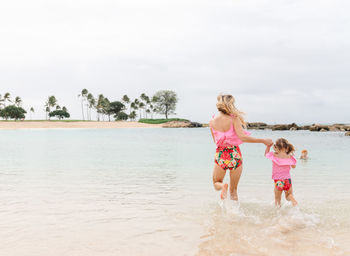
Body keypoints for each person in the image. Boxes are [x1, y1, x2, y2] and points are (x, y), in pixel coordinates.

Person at [209, 94, 273, 201]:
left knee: (216, 183)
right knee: (233, 190)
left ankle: (223, 186)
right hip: (235, 154)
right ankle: (236, 215)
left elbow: (215, 141)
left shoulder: (212, 122)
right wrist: (262, 141)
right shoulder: (234, 119)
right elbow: (243, 137)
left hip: (221, 154)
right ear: (230, 104)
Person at [265, 138, 298, 206]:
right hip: (287, 179)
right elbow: (294, 167)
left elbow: (266, 154)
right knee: (288, 195)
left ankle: (278, 214)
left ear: (276, 147)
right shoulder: (289, 156)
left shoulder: (274, 155)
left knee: (277, 199)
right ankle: (292, 198)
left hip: (278, 180)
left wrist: (268, 146)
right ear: (287, 147)